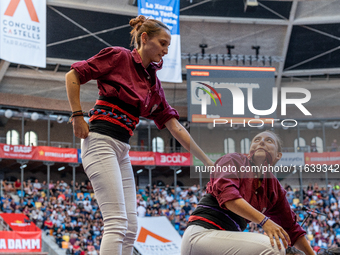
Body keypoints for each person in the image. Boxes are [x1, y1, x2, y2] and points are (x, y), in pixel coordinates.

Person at [65, 15, 213, 255]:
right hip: (100, 140)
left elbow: (175, 127)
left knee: (131, 227)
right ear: (145, 38)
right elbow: (72, 75)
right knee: (116, 223)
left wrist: (207, 162)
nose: (166, 50)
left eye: (168, 46)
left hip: (121, 147)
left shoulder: (153, 82)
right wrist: (77, 116)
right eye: (163, 43)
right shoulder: (119, 56)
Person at [181, 131, 314, 255]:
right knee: (274, 248)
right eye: (256, 140)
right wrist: (265, 221)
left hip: (225, 243)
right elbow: (229, 198)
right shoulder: (233, 160)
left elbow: (292, 230)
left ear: (278, 155)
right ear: (250, 149)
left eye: (268, 140)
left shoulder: (274, 187)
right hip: (201, 235)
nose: (261, 142)